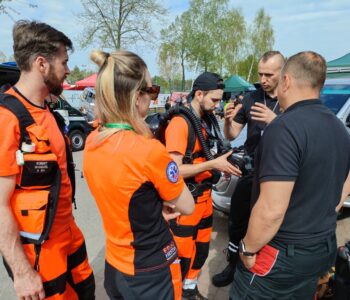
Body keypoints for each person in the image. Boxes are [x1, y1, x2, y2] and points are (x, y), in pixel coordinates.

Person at [231, 51, 350, 299]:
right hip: (321, 245)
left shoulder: (284, 128)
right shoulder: (339, 127)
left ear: (286, 81)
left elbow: (272, 210)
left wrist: (247, 248)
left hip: (281, 252)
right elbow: (343, 187)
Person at [83, 50, 195, 300]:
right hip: (151, 271)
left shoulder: (92, 141)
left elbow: (121, 196)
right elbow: (186, 206)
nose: (154, 97)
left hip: (115, 265)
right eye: (152, 90)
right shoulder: (148, 150)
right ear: (137, 97)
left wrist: (151, 208)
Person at [0, 20, 95, 299]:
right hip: (39, 253)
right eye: (64, 62)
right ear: (42, 64)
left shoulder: (49, 113)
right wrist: (22, 272)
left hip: (70, 236)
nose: (67, 70)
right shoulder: (8, 119)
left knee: (86, 291)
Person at [165, 72, 241, 300]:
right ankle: (177, 294)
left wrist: (220, 167)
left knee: (200, 252)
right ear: (199, 94)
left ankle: (190, 289)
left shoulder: (205, 121)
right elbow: (173, 170)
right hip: (186, 205)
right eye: (214, 100)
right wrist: (212, 163)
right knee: (183, 255)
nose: (218, 105)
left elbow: (213, 149)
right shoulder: (180, 123)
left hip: (205, 200)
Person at [213, 51, 285, 287]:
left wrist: (275, 121)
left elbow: (300, 135)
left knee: (270, 224)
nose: (263, 79)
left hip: (279, 174)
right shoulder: (251, 98)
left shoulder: (290, 99)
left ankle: (262, 273)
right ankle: (232, 267)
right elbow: (231, 134)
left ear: (282, 72)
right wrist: (226, 120)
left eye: (269, 74)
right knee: (237, 222)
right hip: (251, 170)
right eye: (260, 74)